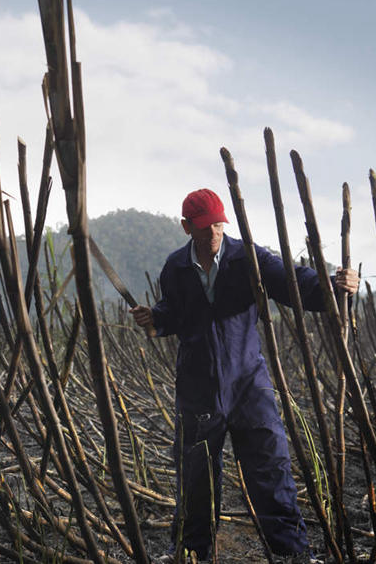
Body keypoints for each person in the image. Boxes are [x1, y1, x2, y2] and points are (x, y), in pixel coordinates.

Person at [130, 188, 358, 564]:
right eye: (205, 227)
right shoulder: (175, 268)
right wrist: (155, 318)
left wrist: (332, 286)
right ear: (187, 227)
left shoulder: (247, 258)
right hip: (198, 386)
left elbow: (294, 282)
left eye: (219, 224)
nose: (214, 233)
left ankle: (292, 553)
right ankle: (190, 554)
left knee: (270, 467)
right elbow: (173, 313)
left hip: (248, 383)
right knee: (196, 476)